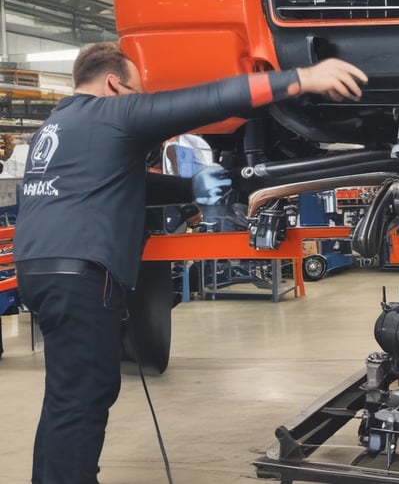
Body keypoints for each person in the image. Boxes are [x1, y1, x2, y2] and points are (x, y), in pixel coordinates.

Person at [13, 41, 367, 484]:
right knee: (84, 398)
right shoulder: (114, 112)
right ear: (113, 84)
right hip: (83, 273)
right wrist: (301, 79)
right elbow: (206, 100)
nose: (140, 99)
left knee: (66, 396)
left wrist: (190, 187)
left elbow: (125, 181)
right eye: (136, 90)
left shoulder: (60, 123)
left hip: (39, 269)